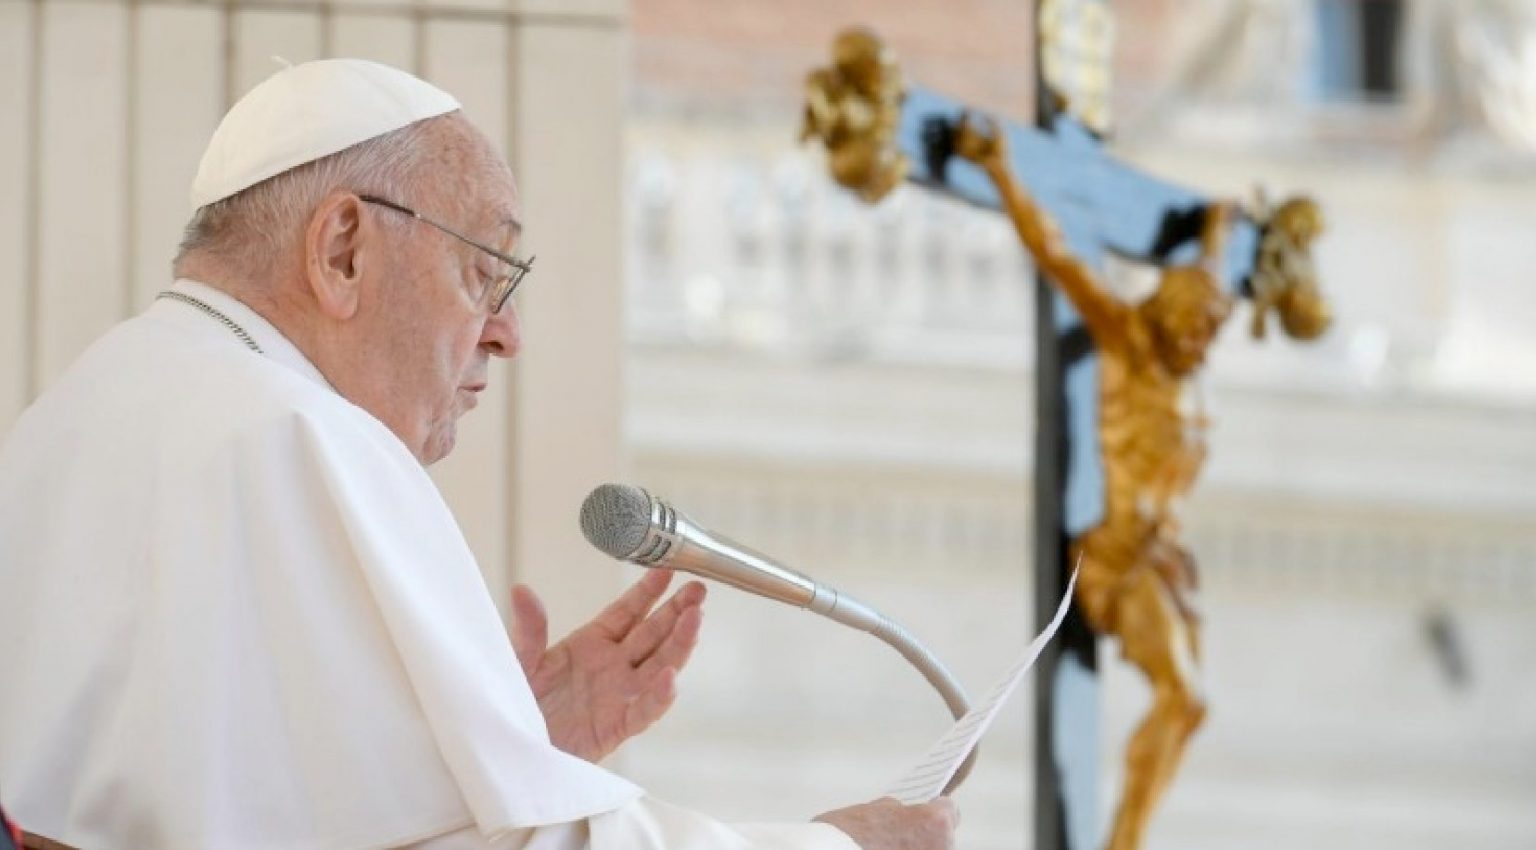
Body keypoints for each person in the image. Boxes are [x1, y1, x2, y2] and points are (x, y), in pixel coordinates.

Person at [0, 60, 957, 850]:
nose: (507, 334)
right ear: (342, 251)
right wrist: (839, 845)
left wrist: (501, 759)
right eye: (484, 272)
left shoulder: (78, 409)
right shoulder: (302, 435)